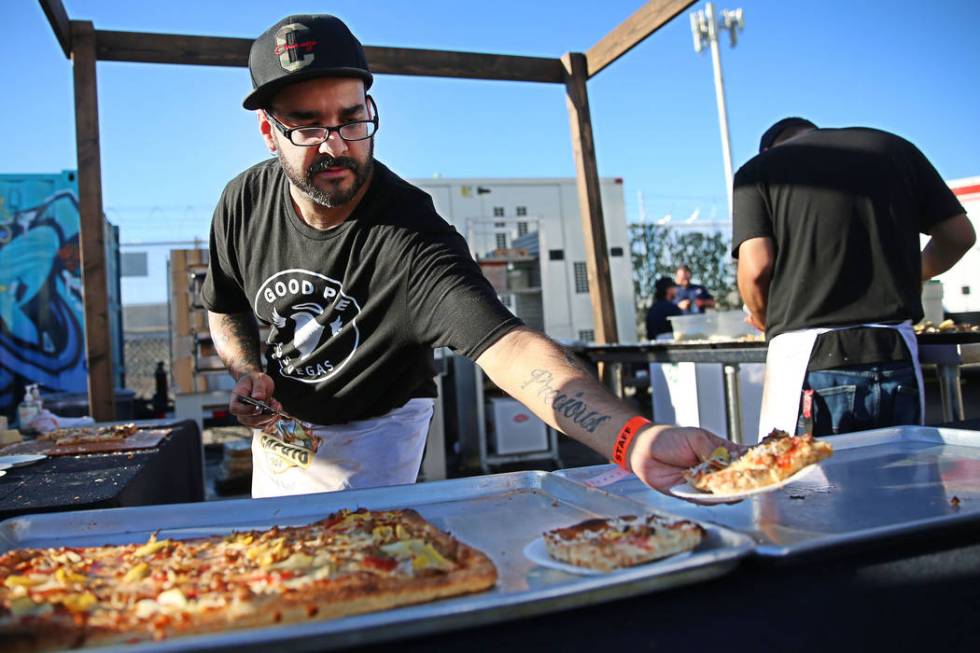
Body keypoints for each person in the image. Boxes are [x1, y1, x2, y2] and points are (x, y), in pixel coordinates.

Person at [202, 14, 734, 498]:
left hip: (376, 433)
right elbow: (223, 304)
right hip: (282, 430)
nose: (336, 145)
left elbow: (510, 349)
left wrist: (631, 439)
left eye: (351, 119)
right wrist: (249, 371)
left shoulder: (410, 236)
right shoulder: (242, 203)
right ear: (269, 131)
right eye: (308, 126)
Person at [733, 117, 975, 437]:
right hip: (896, 352)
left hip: (809, 362)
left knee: (808, 484)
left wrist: (765, 318)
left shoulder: (759, 170)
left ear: (768, 148)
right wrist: (907, 273)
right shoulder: (894, 149)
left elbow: (756, 268)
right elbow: (958, 236)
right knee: (903, 481)